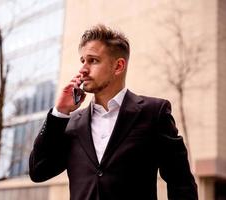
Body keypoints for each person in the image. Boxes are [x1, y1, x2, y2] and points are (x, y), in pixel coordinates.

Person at [29, 24, 198, 200]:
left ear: (118, 66)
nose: (83, 69)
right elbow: (38, 171)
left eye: (93, 60)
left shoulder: (153, 113)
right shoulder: (71, 123)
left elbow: (181, 182)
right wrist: (60, 112)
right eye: (82, 61)